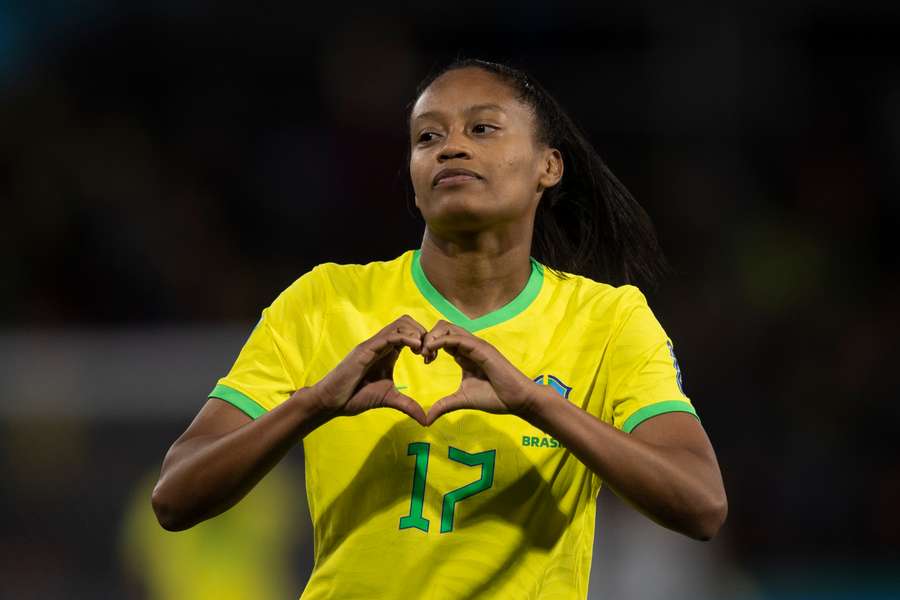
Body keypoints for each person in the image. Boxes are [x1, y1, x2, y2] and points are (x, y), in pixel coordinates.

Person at [151, 58, 727, 600]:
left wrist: (535, 401)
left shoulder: (607, 320)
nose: (450, 147)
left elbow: (701, 504)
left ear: (548, 166)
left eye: (482, 129)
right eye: (427, 137)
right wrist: (312, 405)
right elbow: (175, 497)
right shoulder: (325, 302)